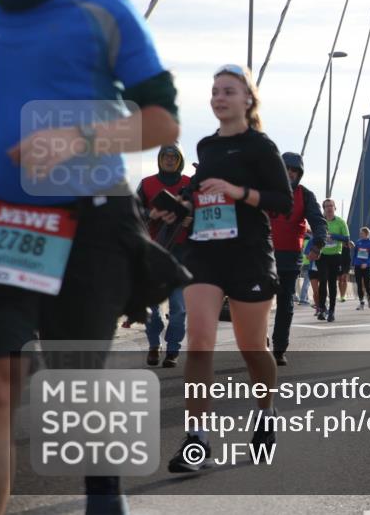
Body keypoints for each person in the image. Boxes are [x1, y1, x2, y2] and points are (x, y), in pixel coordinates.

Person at [0, 0, 181, 515]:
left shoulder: (102, 11)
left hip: (89, 223)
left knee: (78, 382)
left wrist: (78, 137)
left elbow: (162, 122)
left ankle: (105, 496)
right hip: (4, 226)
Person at [165, 64, 293, 472]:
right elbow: (203, 191)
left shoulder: (261, 147)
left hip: (249, 253)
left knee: (252, 347)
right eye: (215, 91)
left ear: (247, 100)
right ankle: (197, 438)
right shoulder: (206, 146)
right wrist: (182, 205)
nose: (219, 97)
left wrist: (238, 192)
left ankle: (265, 413)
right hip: (205, 250)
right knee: (198, 340)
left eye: (229, 91)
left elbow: (282, 201)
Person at [267, 152, 327, 366]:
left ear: (299, 174)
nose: (290, 173)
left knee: (285, 304)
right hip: (263, 256)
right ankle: (258, 341)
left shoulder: (306, 196)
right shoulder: (266, 191)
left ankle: (279, 348)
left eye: (295, 170)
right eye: (287, 169)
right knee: (258, 302)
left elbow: (319, 223)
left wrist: (317, 245)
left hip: (289, 258)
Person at [137, 145, 191, 368]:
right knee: (151, 308)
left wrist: (192, 219)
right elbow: (133, 210)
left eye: (174, 157)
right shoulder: (147, 183)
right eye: (165, 156)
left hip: (182, 253)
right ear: (160, 159)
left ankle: (173, 349)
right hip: (153, 252)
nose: (169, 160)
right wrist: (151, 213)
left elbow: (202, 210)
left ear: (180, 160)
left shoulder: (190, 183)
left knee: (179, 309)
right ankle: (153, 344)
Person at [318, 199, 350, 321]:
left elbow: (347, 238)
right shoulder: (320, 222)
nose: (329, 208)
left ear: (335, 208)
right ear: (324, 209)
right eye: (326, 206)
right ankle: (321, 309)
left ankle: (331, 310)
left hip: (336, 256)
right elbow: (314, 235)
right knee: (323, 281)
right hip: (322, 256)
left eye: (331, 205)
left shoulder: (341, 222)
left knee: (332, 283)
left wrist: (333, 236)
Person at [352, 227, 370, 310]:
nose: (360, 234)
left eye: (362, 233)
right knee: (359, 284)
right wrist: (354, 263)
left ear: (367, 234)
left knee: (367, 284)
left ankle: (369, 297)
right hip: (358, 266)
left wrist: (366, 264)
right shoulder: (358, 242)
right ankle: (361, 302)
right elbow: (355, 253)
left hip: (367, 267)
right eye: (360, 233)